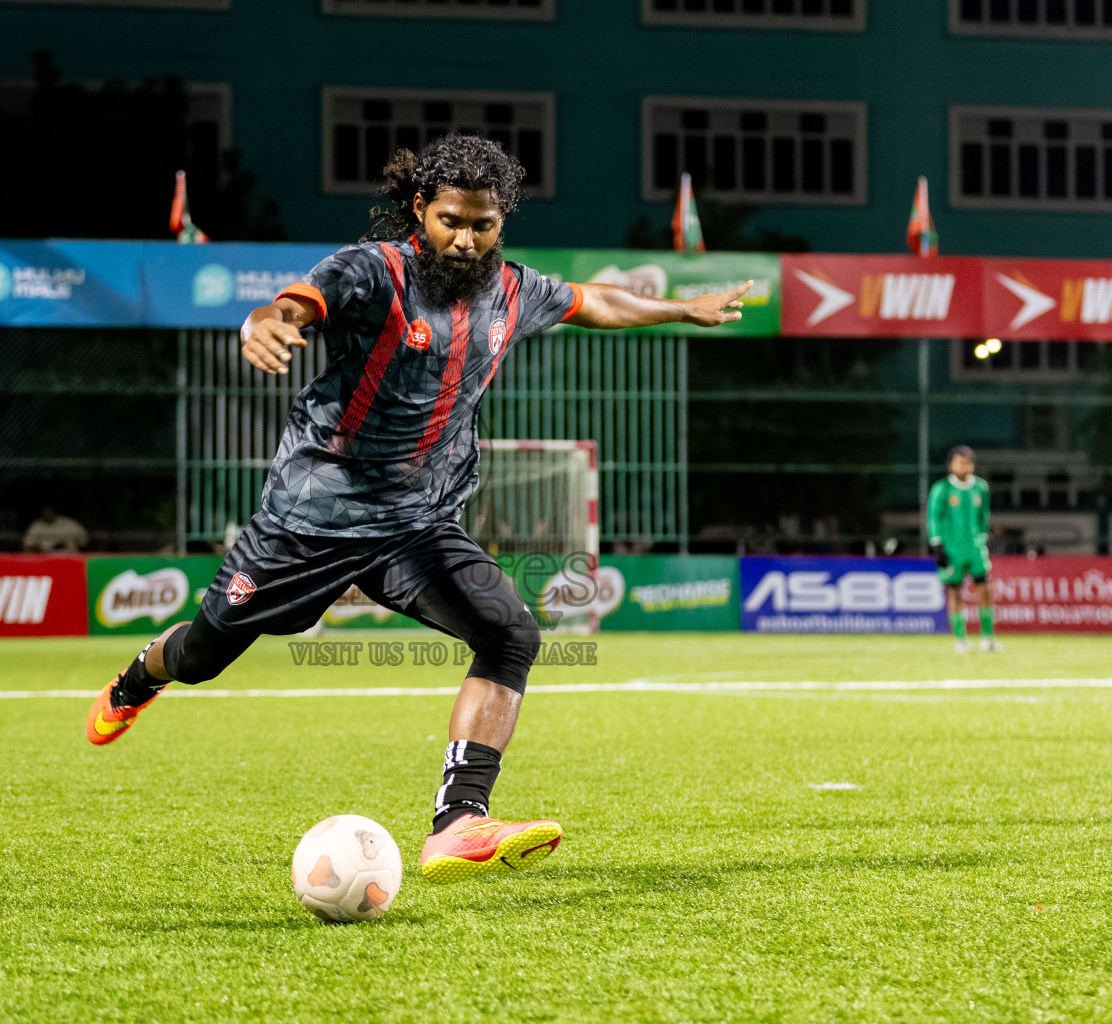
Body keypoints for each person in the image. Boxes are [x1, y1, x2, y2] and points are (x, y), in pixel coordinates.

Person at [85, 133, 751, 885]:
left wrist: (680, 309)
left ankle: (459, 821)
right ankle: (137, 680)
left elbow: (595, 299)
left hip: (417, 525)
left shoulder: (515, 292)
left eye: (483, 224)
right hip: (313, 522)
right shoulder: (376, 272)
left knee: (511, 633)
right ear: (419, 211)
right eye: (450, 221)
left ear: (501, 223)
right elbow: (302, 301)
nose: (465, 240)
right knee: (204, 654)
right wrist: (266, 322)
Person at [928, 445, 1000, 653]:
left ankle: (988, 639)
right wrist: (936, 544)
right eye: (960, 462)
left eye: (968, 462)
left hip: (975, 549)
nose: (964, 466)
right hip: (952, 551)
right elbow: (934, 517)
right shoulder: (942, 488)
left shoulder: (981, 487)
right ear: (951, 465)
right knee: (955, 592)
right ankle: (961, 640)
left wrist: (984, 537)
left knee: (986, 589)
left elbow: (984, 515)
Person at [22, 505, 89, 552]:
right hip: (46, 559)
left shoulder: (69, 523)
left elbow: (85, 542)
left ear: (55, 510)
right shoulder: (37, 525)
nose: (47, 513)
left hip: (70, 558)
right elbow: (27, 546)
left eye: (50, 510)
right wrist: (42, 550)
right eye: (45, 510)